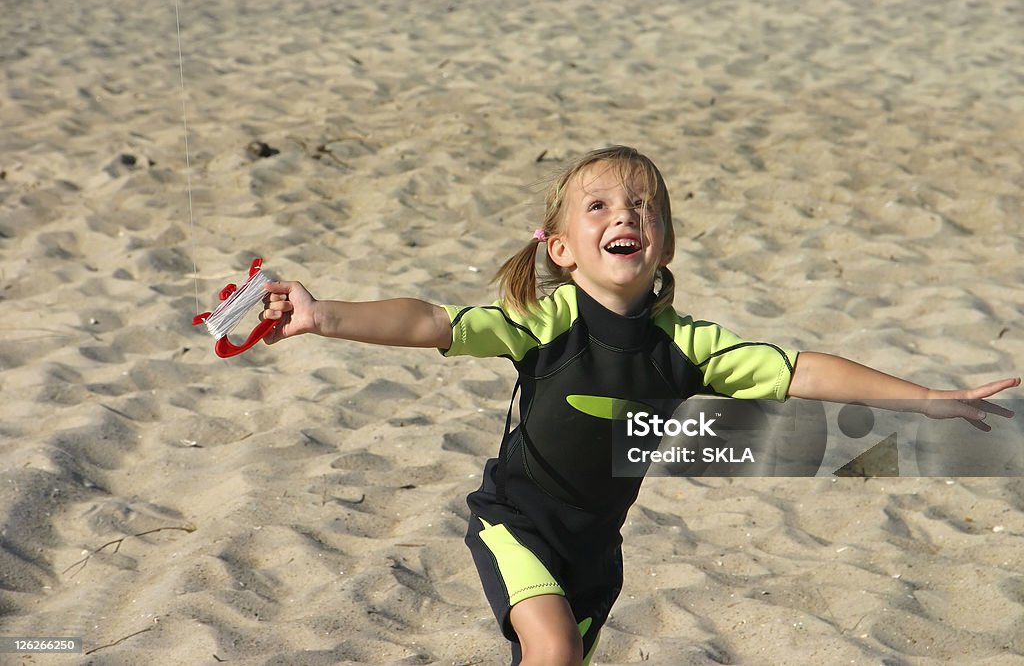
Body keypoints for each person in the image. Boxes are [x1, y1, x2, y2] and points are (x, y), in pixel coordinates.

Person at [260, 145, 1019, 665]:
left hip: (598, 551)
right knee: (551, 651)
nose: (623, 216)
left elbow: (801, 371)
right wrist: (326, 314)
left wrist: (922, 398)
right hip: (515, 520)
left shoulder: (689, 346)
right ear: (560, 248)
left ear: (664, 242)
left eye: (642, 206)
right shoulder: (543, 321)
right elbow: (432, 322)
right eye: (598, 206)